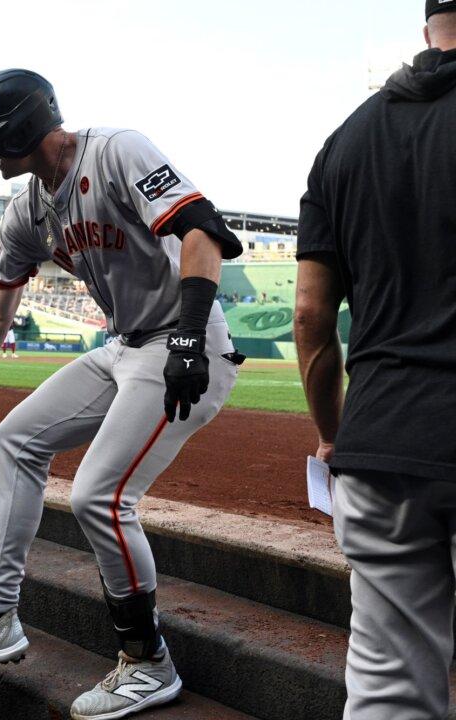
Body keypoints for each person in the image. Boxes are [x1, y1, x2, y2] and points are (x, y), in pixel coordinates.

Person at [0, 69, 243, 719]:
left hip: (183, 342)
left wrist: (191, 338)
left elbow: (202, 230)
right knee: (16, 438)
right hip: (122, 344)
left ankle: (147, 662)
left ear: (25, 124)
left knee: (100, 496)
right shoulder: (27, 209)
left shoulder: (116, 150)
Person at [294, 4, 456, 718]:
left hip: (379, 442)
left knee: (389, 697)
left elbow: (310, 318)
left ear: (429, 30)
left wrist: (332, 435)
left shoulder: (345, 140)